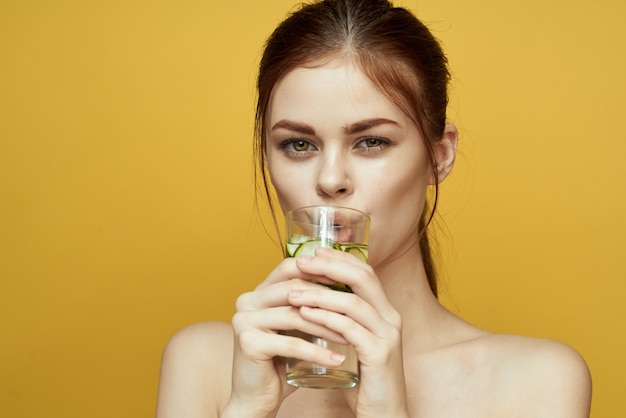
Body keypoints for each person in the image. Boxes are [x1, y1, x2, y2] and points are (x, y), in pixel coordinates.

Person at [155, 0, 592, 416]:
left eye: (371, 141)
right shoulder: (205, 365)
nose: (330, 180)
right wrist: (247, 411)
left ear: (439, 156)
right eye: (298, 144)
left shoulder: (537, 382)